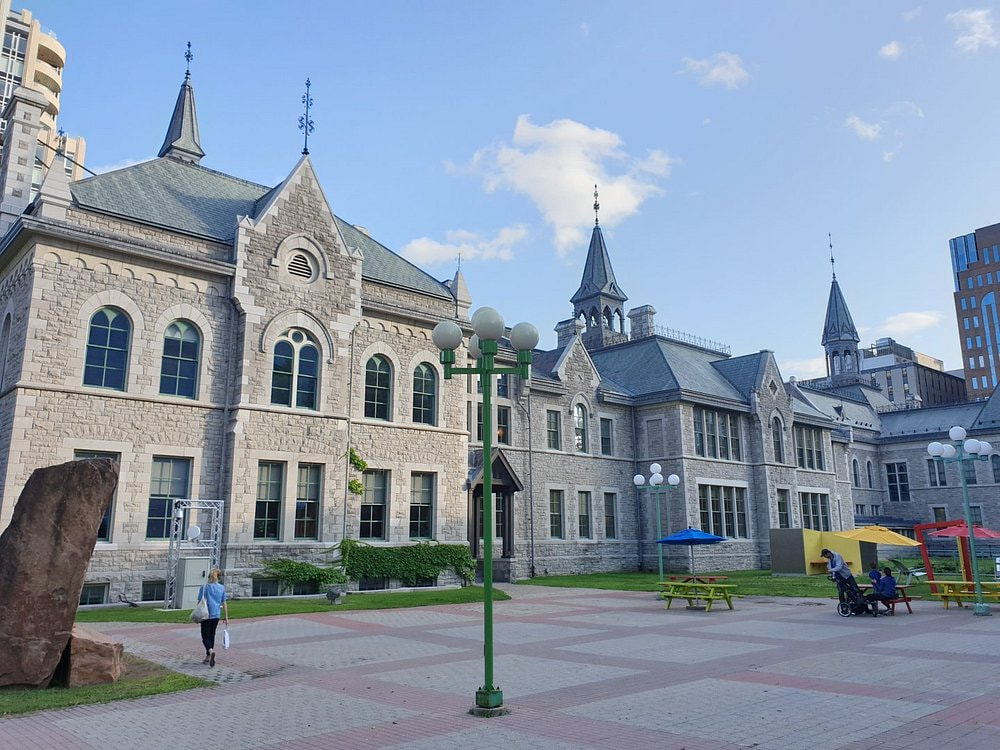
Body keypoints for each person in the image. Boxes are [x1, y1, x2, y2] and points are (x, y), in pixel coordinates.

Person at [197, 568, 229, 666]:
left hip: (206, 614)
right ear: (219, 577)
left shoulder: (205, 587)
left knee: (205, 636)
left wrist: (197, 615)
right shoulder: (221, 588)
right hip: (216, 615)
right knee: (211, 635)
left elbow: (200, 601)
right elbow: (224, 602)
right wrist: (226, 616)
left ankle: (210, 651)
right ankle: (208, 656)